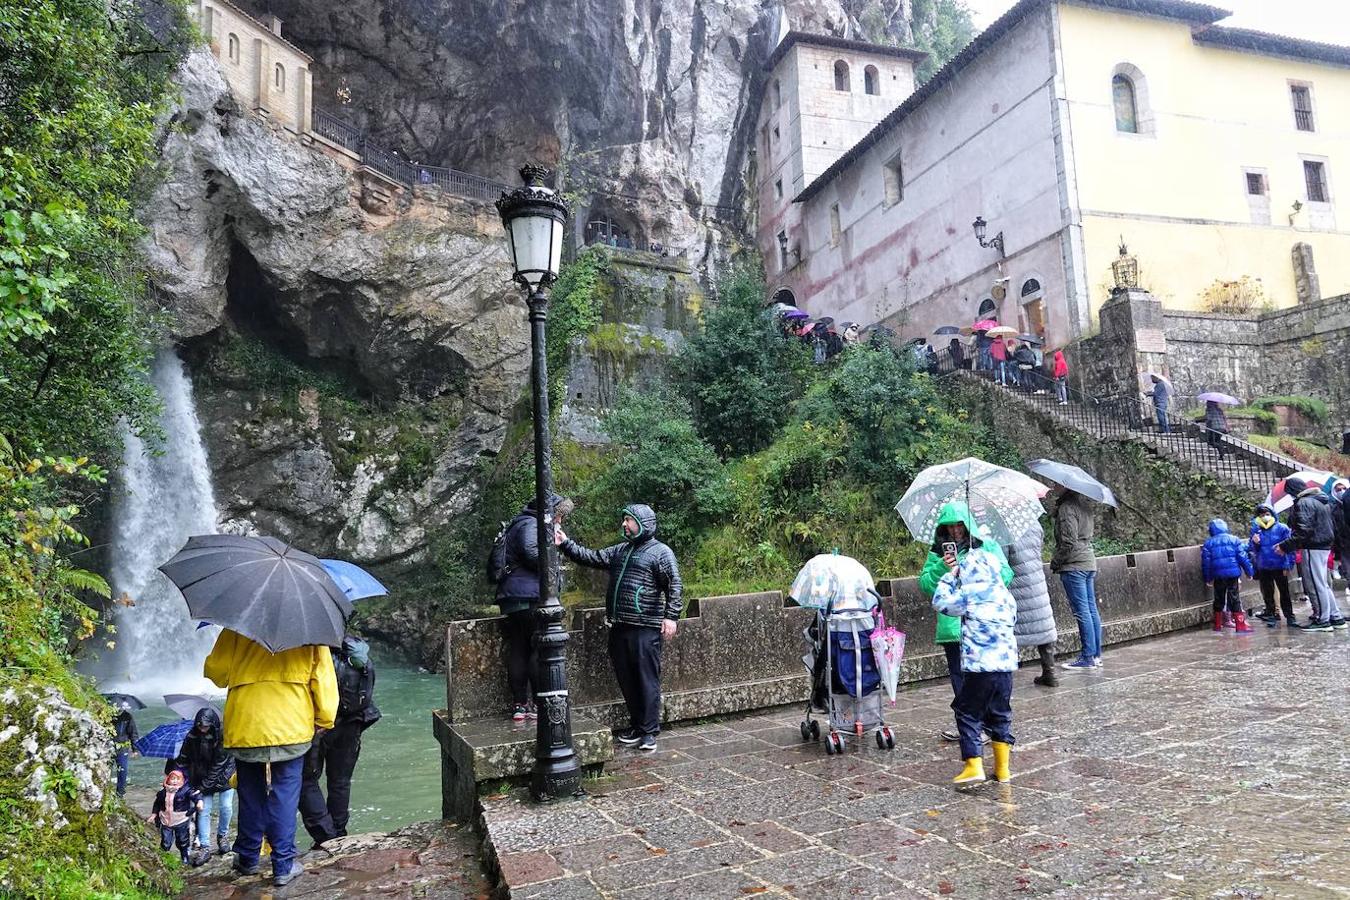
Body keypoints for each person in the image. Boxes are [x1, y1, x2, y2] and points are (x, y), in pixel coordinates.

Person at [204, 629, 337, 888]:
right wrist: (324, 718)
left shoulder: (238, 625)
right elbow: (323, 680)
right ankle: (283, 864)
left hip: (246, 722)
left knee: (249, 790)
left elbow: (216, 673)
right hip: (291, 721)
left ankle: (248, 856)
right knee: (285, 793)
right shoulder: (309, 628)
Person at [557, 505, 682, 752]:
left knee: (646, 680)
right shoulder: (620, 551)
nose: (624, 524)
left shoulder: (661, 553)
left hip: (645, 627)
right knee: (626, 680)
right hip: (620, 626)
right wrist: (564, 543)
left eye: (629, 520)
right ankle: (637, 725)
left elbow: (674, 586)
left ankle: (649, 732)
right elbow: (591, 557)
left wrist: (671, 617)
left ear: (643, 523)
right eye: (624, 519)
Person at [930, 518, 1019, 785]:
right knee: (1000, 713)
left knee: (967, 711)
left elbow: (940, 603)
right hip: (1006, 667)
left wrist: (951, 576)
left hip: (980, 667)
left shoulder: (968, 594)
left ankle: (974, 765)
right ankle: (1002, 769)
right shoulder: (1005, 596)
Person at [918, 503, 1012, 741]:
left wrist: (975, 571)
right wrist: (944, 568)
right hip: (953, 627)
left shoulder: (987, 546)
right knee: (961, 679)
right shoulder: (937, 553)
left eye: (959, 525)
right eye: (949, 526)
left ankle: (990, 725)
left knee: (988, 677)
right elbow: (926, 585)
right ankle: (970, 726)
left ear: (967, 524)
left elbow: (1006, 575)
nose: (955, 531)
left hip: (983, 625)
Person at [492, 493, 574, 721]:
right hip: (529, 596)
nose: (560, 520)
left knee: (519, 647)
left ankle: (520, 705)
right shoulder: (530, 524)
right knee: (539, 647)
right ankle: (539, 703)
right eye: (559, 516)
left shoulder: (519, 522)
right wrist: (553, 561)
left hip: (513, 596)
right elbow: (531, 552)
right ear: (550, 513)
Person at [300, 634, 382, 851]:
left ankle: (326, 836)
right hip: (353, 723)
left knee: (305, 779)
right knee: (340, 781)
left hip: (320, 725)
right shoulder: (358, 653)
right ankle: (339, 833)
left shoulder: (315, 654)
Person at [1280, 478, 1344, 632]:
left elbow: (1304, 530)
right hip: (1324, 545)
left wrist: (1285, 546)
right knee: (1323, 583)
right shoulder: (1320, 501)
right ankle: (1335, 616)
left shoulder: (1304, 503)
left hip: (1312, 546)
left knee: (1316, 583)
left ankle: (1323, 620)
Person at [171, 707, 235, 859]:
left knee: (226, 807)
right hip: (201, 777)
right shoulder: (192, 736)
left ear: (212, 724)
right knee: (203, 811)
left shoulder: (222, 737)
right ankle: (205, 846)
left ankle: (222, 836)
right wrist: (174, 773)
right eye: (200, 725)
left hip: (224, 776)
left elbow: (218, 765)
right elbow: (183, 758)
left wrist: (202, 787)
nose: (202, 728)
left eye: (205, 726)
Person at [1050, 488, 1102, 670]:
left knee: (1082, 611)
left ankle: (1087, 657)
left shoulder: (1067, 508)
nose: (1053, 487)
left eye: (1056, 484)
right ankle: (1095, 655)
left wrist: (1055, 562)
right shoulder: (1085, 505)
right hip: (1088, 561)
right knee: (1091, 609)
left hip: (1074, 565)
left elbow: (1068, 541)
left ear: (1065, 487)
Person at [1006, 519, 1059, 687]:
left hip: (1017, 584)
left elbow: (1002, 559)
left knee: (1008, 629)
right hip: (1037, 580)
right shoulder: (1034, 523)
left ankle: (1007, 673)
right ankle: (1049, 672)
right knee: (1043, 625)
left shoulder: (1003, 529)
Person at [1202, 519, 1254, 633]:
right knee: (1234, 598)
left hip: (1218, 575)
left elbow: (1206, 563)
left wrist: (1208, 578)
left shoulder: (1208, 543)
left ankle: (1217, 624)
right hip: (1232, 574)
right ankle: (1240, 625)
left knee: (1219, 598)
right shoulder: (1234, 539)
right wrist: (1249, 572)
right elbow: (1243, 558)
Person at [1249, 503, 1295, 626]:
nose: (1265, 517)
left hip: (1280, 565)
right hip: (1264, 565)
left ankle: (1289, 616)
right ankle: (1271, 614)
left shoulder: (1282, 528)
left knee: (1284, 592)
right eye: (1262, 514)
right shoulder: (1256, 530)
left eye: (1267, 514)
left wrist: (1289, 564)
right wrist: (1256, 543)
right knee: (1268, 593)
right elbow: (1253, 549)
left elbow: (1290, 548)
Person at [147, 768, 202, 865]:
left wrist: (199, 802)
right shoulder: (162, 792)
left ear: (182, 780)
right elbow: (157, 804)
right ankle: (163, 857)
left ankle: (184, 856)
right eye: (173, 779)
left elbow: (195, 795)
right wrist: (153, 815)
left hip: (180, 819)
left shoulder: (186, 790)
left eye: (178, 779)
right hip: (165, 820)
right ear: (168, 780)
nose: (175, 781)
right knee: (165, 841)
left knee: (182, 841)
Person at [112, 704, 138, 798]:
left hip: (123, 748)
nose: (119, 709)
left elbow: (133, 733)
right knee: (106, 769)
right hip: (109, 746)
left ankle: (120, 793)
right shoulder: (108, 715)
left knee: (123, 770)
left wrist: (135, 749)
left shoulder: (127, 717)